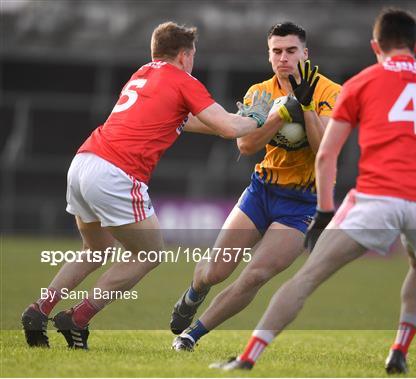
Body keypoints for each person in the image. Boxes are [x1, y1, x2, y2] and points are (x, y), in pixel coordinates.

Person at [210, 8, 416, 374]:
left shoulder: (362, 82)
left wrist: (324, 212)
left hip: (378, 196)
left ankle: (248, 357)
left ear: (375, 46)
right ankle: (399, 348)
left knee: (308, 276)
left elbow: (328, 152)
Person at [21, 21, 273, 349]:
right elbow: (227, 128)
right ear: (184, 55)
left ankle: (39, 310)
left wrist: (239, 120)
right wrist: (256, 119)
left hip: (84, 162)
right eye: (193, 54)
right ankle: (78, 318)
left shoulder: (143, 74)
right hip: (116, 172)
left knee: (95, 250)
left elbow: (199, 121)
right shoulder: (183, 79)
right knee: (151, 253)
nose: (193, 61)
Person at [169, 22, 341, 351]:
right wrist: (278, 116)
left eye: (291, 51)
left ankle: (192, 335)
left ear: (305, 53)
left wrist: (304, 108)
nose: (284, 58)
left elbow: (325, 150)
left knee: (255, 275)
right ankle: (193, 293)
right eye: (276, 51)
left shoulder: (330, 92)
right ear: (269, 56)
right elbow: (246, 146)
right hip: (262, 191)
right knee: (214, 272)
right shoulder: (260, 93)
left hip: (302, 204)